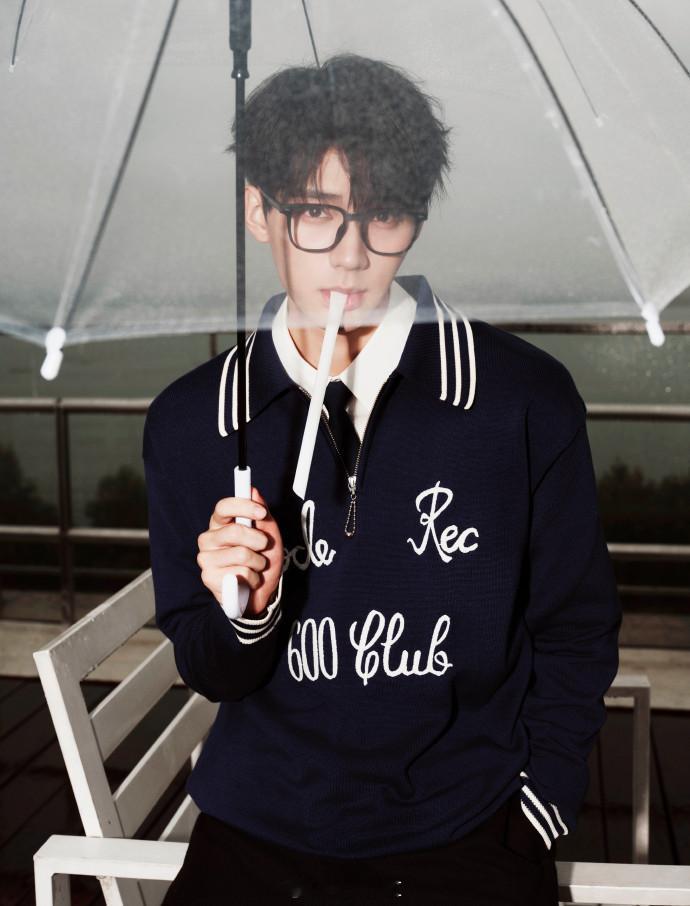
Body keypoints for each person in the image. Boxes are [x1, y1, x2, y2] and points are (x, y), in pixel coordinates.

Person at [143, 54, 621, 906]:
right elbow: (213, 670)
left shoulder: (522, 400)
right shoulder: (194, 422)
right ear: (258, 210)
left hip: (469, 830)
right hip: (257, 827)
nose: (353, 256)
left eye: (385, 215)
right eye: (316, 214)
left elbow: (576, 628)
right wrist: (245, 610)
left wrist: (539, 806)